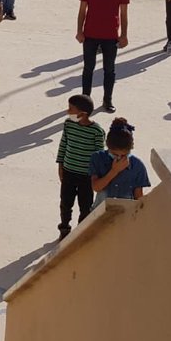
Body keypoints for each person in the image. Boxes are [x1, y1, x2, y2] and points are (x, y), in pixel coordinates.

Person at [76, 0, 129, 114]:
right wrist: (79, 31)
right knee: (88, 68)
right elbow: (82, 11)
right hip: (90, 34)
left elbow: (124, 14)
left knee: (109, 70)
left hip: (110, 35)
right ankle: (85, 100)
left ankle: (108, 99)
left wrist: (124, 34)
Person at [56, 93, 104, 239]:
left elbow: (99, 155)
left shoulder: (96, 131)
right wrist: (60, 165)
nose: (68, 111)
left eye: (71, 109)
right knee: (65, 203)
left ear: (82, 114)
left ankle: (80, 232)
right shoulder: (68, 124)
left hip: (86, 176)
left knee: (85, 205)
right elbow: (63, 144)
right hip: (69, 171)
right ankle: (64, 229)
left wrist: (96, 174)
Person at [89, 119, 150, 207]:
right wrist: (114, 171)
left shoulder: (137, 166)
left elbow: (138, 197)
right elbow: (96, 187)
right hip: (100, 212)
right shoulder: (98, 158)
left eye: (124, 155)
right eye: (115, 154)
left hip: (126, 215)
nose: (119, 158)